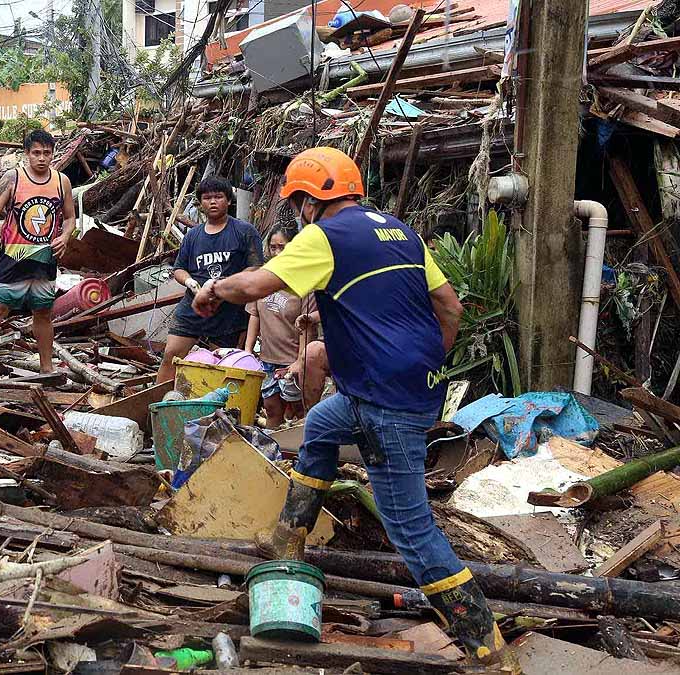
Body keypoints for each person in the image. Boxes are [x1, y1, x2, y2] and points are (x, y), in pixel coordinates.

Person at [191, 147, 519, 672]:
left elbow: (254, 284)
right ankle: (288, 536)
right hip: (405, 388)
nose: (297, 210)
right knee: (321, 423)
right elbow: (450, 308)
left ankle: (488, 649)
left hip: (384, 401)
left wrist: (211, 289)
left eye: (296, 201)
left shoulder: (325, 237)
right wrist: (424, 367)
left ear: (306, 200)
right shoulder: (401, 232)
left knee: (412, 531)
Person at [0, 129, 75, 381]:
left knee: (43, 312)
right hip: (13, 257)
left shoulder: (62, 182)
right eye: (36, 153)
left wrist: (65, 236)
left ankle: (46, 367)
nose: (42, 158)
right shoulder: (13, 178)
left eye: (47, 153)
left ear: (53, 154)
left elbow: (71, 217)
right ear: (26, 154)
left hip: (45, 258)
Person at [156, 177, 263, 384]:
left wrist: (225, 286)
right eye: (207, 198)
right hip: (193, 305)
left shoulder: (244, 232)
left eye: (218, 197)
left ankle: (217, 409)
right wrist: (191, 283)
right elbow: (179, 268)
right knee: (171, 355)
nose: (212, 202)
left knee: (223, 365)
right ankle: (158, 403)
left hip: (228, 311)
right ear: (200, 203)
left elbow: (256, 267)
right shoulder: (193, 236)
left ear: (229, 201)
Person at [244, 228, 324, 427]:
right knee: (271, 409)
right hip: (267, 359)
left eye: (283, 247)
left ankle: (299, 451)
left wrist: (299, 361)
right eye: (273, 247)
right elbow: (255, 315)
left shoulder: (305, 282)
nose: (277, 253)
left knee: (299, 411)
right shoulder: (263, 278)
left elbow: (307, 325)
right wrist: (248, 350)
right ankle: (273, 453)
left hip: (292, 361)